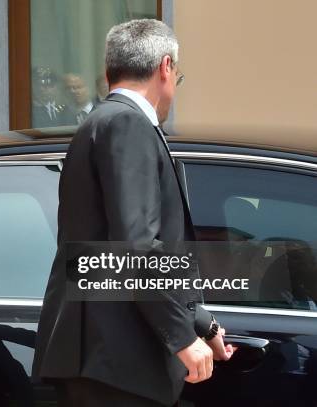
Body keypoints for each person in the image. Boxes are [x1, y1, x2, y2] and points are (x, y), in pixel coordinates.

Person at [33, 19, 234, 407]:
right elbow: (136, 245)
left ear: (109, 70)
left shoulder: (103, 121)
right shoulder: (128, 123)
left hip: (104, 360)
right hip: (117, 362)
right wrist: (182, 337)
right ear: (165, 68)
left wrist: (201, 323)